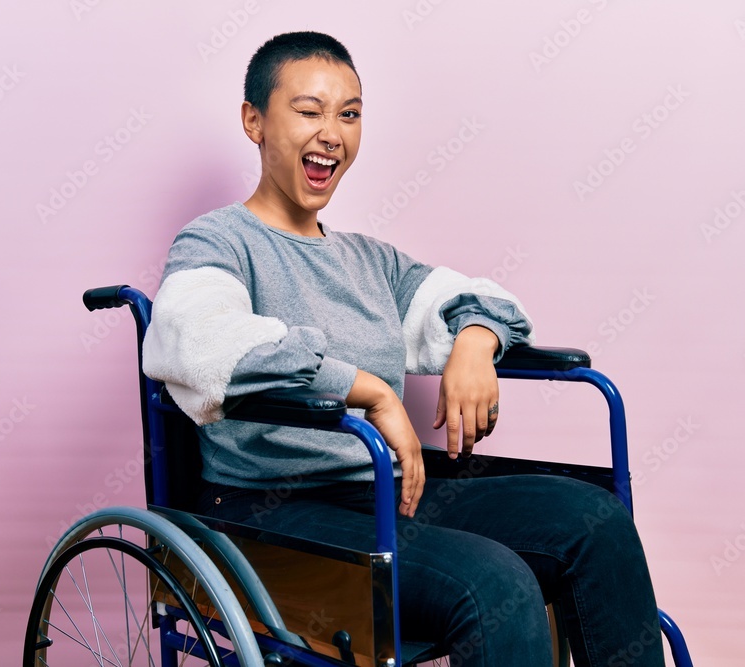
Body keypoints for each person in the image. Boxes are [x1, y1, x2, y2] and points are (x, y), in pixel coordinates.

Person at [143, 31, 664, 667]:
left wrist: (475, 342)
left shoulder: (371, 263)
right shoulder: (218, 242)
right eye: (309, 111)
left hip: (391, 490)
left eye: (350, 113)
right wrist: (367, 387)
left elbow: (482, 301)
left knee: (595, 523)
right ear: (254, 120)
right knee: (492, 582)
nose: (332, 133)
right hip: (271, 511)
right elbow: (199, 342)